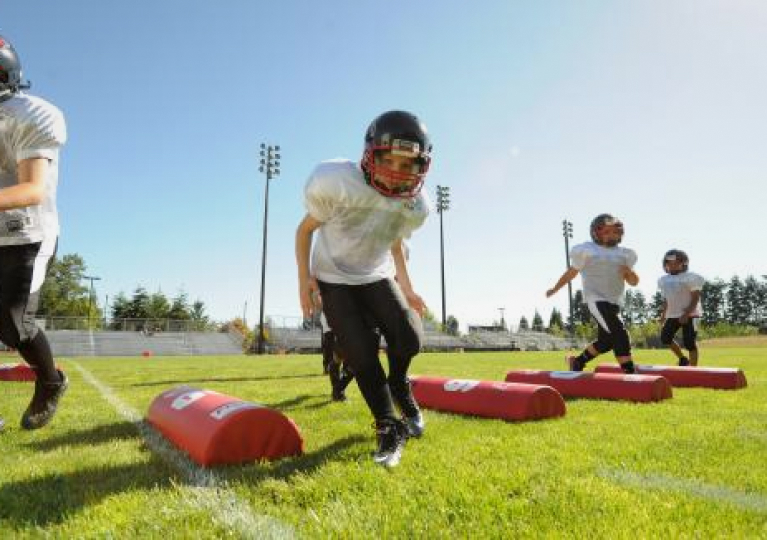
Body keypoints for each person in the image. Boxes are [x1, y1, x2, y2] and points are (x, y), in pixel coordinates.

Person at [296, 110, 430, 467]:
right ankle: (388, 426)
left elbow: (396, 242)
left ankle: (400, 383)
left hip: (376, 273)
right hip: (334, 276)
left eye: (408, 165)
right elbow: (304, 230)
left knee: (409, 337)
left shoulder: (417, 204)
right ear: (371, 155)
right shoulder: (335, 181)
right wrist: (304, 278)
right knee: (358, 351)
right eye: (389, 161)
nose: (397, 173)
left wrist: (409, 287)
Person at [0, 35, 68, 432]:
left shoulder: (30, 114)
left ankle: (50, 381)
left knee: (12, 325)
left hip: (27, 233)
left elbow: (32, 190)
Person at [546, 214, 640, 374]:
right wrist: (555, 288)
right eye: (607, 232)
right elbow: (572, 272)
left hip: (614, 302)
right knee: (619, 332)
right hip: (596, 298)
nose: (611, 235)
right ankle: (629, 372)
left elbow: (633, 282)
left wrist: (629, 272)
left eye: (615, 232)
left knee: (607, 341)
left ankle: (577, 362)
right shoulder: (587, 250)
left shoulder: (625, 254)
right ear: (596, 233)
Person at [658, 249, 704, 366]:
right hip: (673, 314)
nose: (672, 266)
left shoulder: (690, 277)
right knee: (665, 338)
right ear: (665, 264)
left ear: (683, 263)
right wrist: (663, 315)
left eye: (676, 263)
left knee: (689, 343)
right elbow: (667, 299)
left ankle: (693, 370)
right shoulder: (663, 280)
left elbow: (695, 297)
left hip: (690, 315)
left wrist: (686, 313)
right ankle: (683, 359)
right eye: (669, 263)